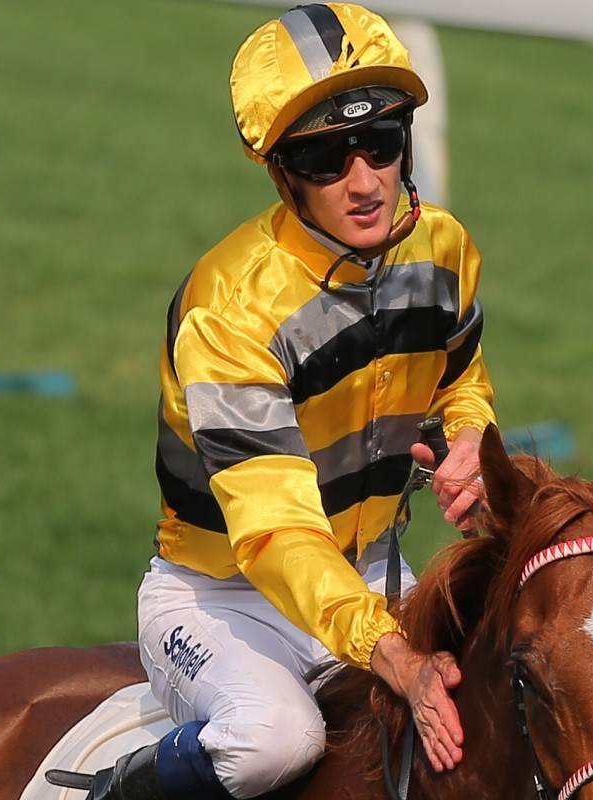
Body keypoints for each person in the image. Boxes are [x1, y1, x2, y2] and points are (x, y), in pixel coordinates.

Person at [80, 4, 497, 799]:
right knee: (276, 741)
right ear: (281, 173)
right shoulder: (228, 310)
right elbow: (277, 534)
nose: (365, 179)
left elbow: (460, 378)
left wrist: (471, 439)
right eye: (326, 158)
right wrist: (394, 653)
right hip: (224, 596)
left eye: (381, 141)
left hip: (376, 570)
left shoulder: (444, 249)